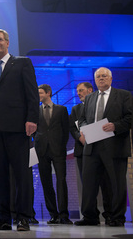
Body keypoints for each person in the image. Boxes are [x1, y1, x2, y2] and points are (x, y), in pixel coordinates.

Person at [0, 28, 39, 232]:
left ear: (7, 43)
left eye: (0, 39)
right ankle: (4, 218)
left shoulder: (22, 62)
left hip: (18, 128)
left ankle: (24, 217)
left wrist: (32, 119)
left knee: (21, 174)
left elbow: (32, 93)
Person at [75, 67, 132, 227]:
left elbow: (130, 117)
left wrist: (116, 125)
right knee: (89, 183)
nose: (101, 79)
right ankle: (90, 217)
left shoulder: (123, 95)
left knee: (115, 184)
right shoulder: (90, 98)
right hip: (92, 147)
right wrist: (84, 130)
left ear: (111, 79)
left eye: (104, 76)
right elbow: (83, 119)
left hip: (114, 146)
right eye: (98, 76)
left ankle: (116, 217)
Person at [69, 81, 112, 223]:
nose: (78, 93)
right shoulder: (75, 108)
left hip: (103, 148)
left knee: (106, 183)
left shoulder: (102, 104)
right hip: (83, 150)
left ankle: (110, 214)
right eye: (77, 91)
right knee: (88, 185)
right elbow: (73, 127)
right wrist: (80, 138)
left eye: (81, 90)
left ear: (90, 90)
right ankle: (90, 216)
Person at [36, 84, 72, 224]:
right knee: (46, 183)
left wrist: (61, 145)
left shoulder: (62, 109)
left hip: (58, 150)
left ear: (48, 93)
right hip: (42, 150)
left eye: (40, 93)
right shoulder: (35, 110)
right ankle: (53, 214)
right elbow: (34, 129)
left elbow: (65, 130)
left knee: (61, 181)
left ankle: (64, 215)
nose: (39, 96)